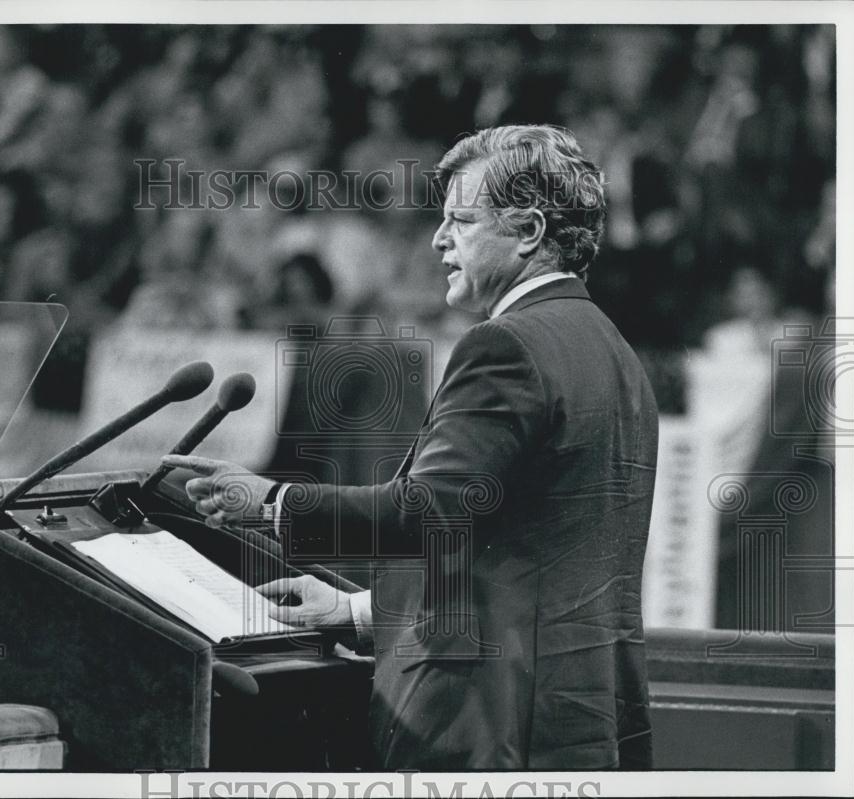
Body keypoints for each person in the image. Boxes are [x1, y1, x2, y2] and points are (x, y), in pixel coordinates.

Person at [162, 125, 659, 770]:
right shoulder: (616, 353)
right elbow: (525, 549)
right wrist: (353, 610)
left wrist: (271, 502)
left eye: (461, 219)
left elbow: (428, 512)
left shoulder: (506, 347)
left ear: (530, 232)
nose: (439, 239)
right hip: (578, 725)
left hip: (488, 729)